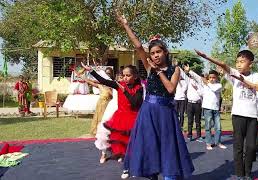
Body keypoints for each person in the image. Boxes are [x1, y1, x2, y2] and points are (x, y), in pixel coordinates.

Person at [116, 12, 194, 180]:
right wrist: (126, 25)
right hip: (148, 112)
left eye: (158, 52)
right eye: (152, 53)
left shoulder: (175, 69)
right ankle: (152, 175)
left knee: (167, 146)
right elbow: (138, 47)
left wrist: (159, 72)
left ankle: (169, 175)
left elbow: (171, 89)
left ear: (165, 52)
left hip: (166, 113)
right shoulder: (149, 67)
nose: (155, 55)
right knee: (150, 146)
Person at [195, 49, 258, 180]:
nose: (238, 64)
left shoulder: (256, 76)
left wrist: (243, 80)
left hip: (253, 117)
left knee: (251, 146)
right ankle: (240, 174)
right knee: (238, 146)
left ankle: (248, 172)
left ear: (251, 63)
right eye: (237, 62)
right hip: (238, 115)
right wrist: (206, 56)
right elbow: (222, 64)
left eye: (242, 61)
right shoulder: (234, 74)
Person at [82, 63, 144, 162]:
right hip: (120, 117)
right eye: (123, 75)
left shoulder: (139, 88)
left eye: (128, 75)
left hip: (134, 118)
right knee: (119, 138)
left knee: (133, 141)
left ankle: (133, 161)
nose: (125, 78)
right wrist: (91, 71)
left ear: (135, 76)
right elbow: (103, 81)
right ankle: (122, 159)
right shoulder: (119, 85)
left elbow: (135, 103)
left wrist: (125, 92)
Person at [184, 65, 226, 150]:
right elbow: (198, 79)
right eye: (210, 77)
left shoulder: (219, 85)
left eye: (213, 77)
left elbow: (213, 89)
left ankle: (218, 142)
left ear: (217, 78)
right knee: (208, 127)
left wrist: (206, 82)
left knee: (218, 127)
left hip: (216, 109)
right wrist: (190, 71)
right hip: (207, 109)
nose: (211, 79)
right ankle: (208, 143)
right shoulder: (205, 85)